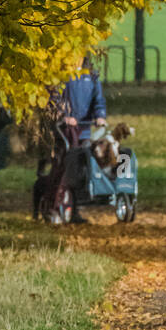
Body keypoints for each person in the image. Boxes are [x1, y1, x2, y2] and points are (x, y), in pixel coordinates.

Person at [57, 54, 107, 224]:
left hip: (84, 130)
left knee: (83, 166)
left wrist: (100, 116)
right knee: (68, 165)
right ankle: (64, 204)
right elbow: (57, 99)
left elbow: (98, 100)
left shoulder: (91, 76)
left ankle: (78, 205)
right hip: (67, 131)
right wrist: (65, 117)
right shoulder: (63, 75)